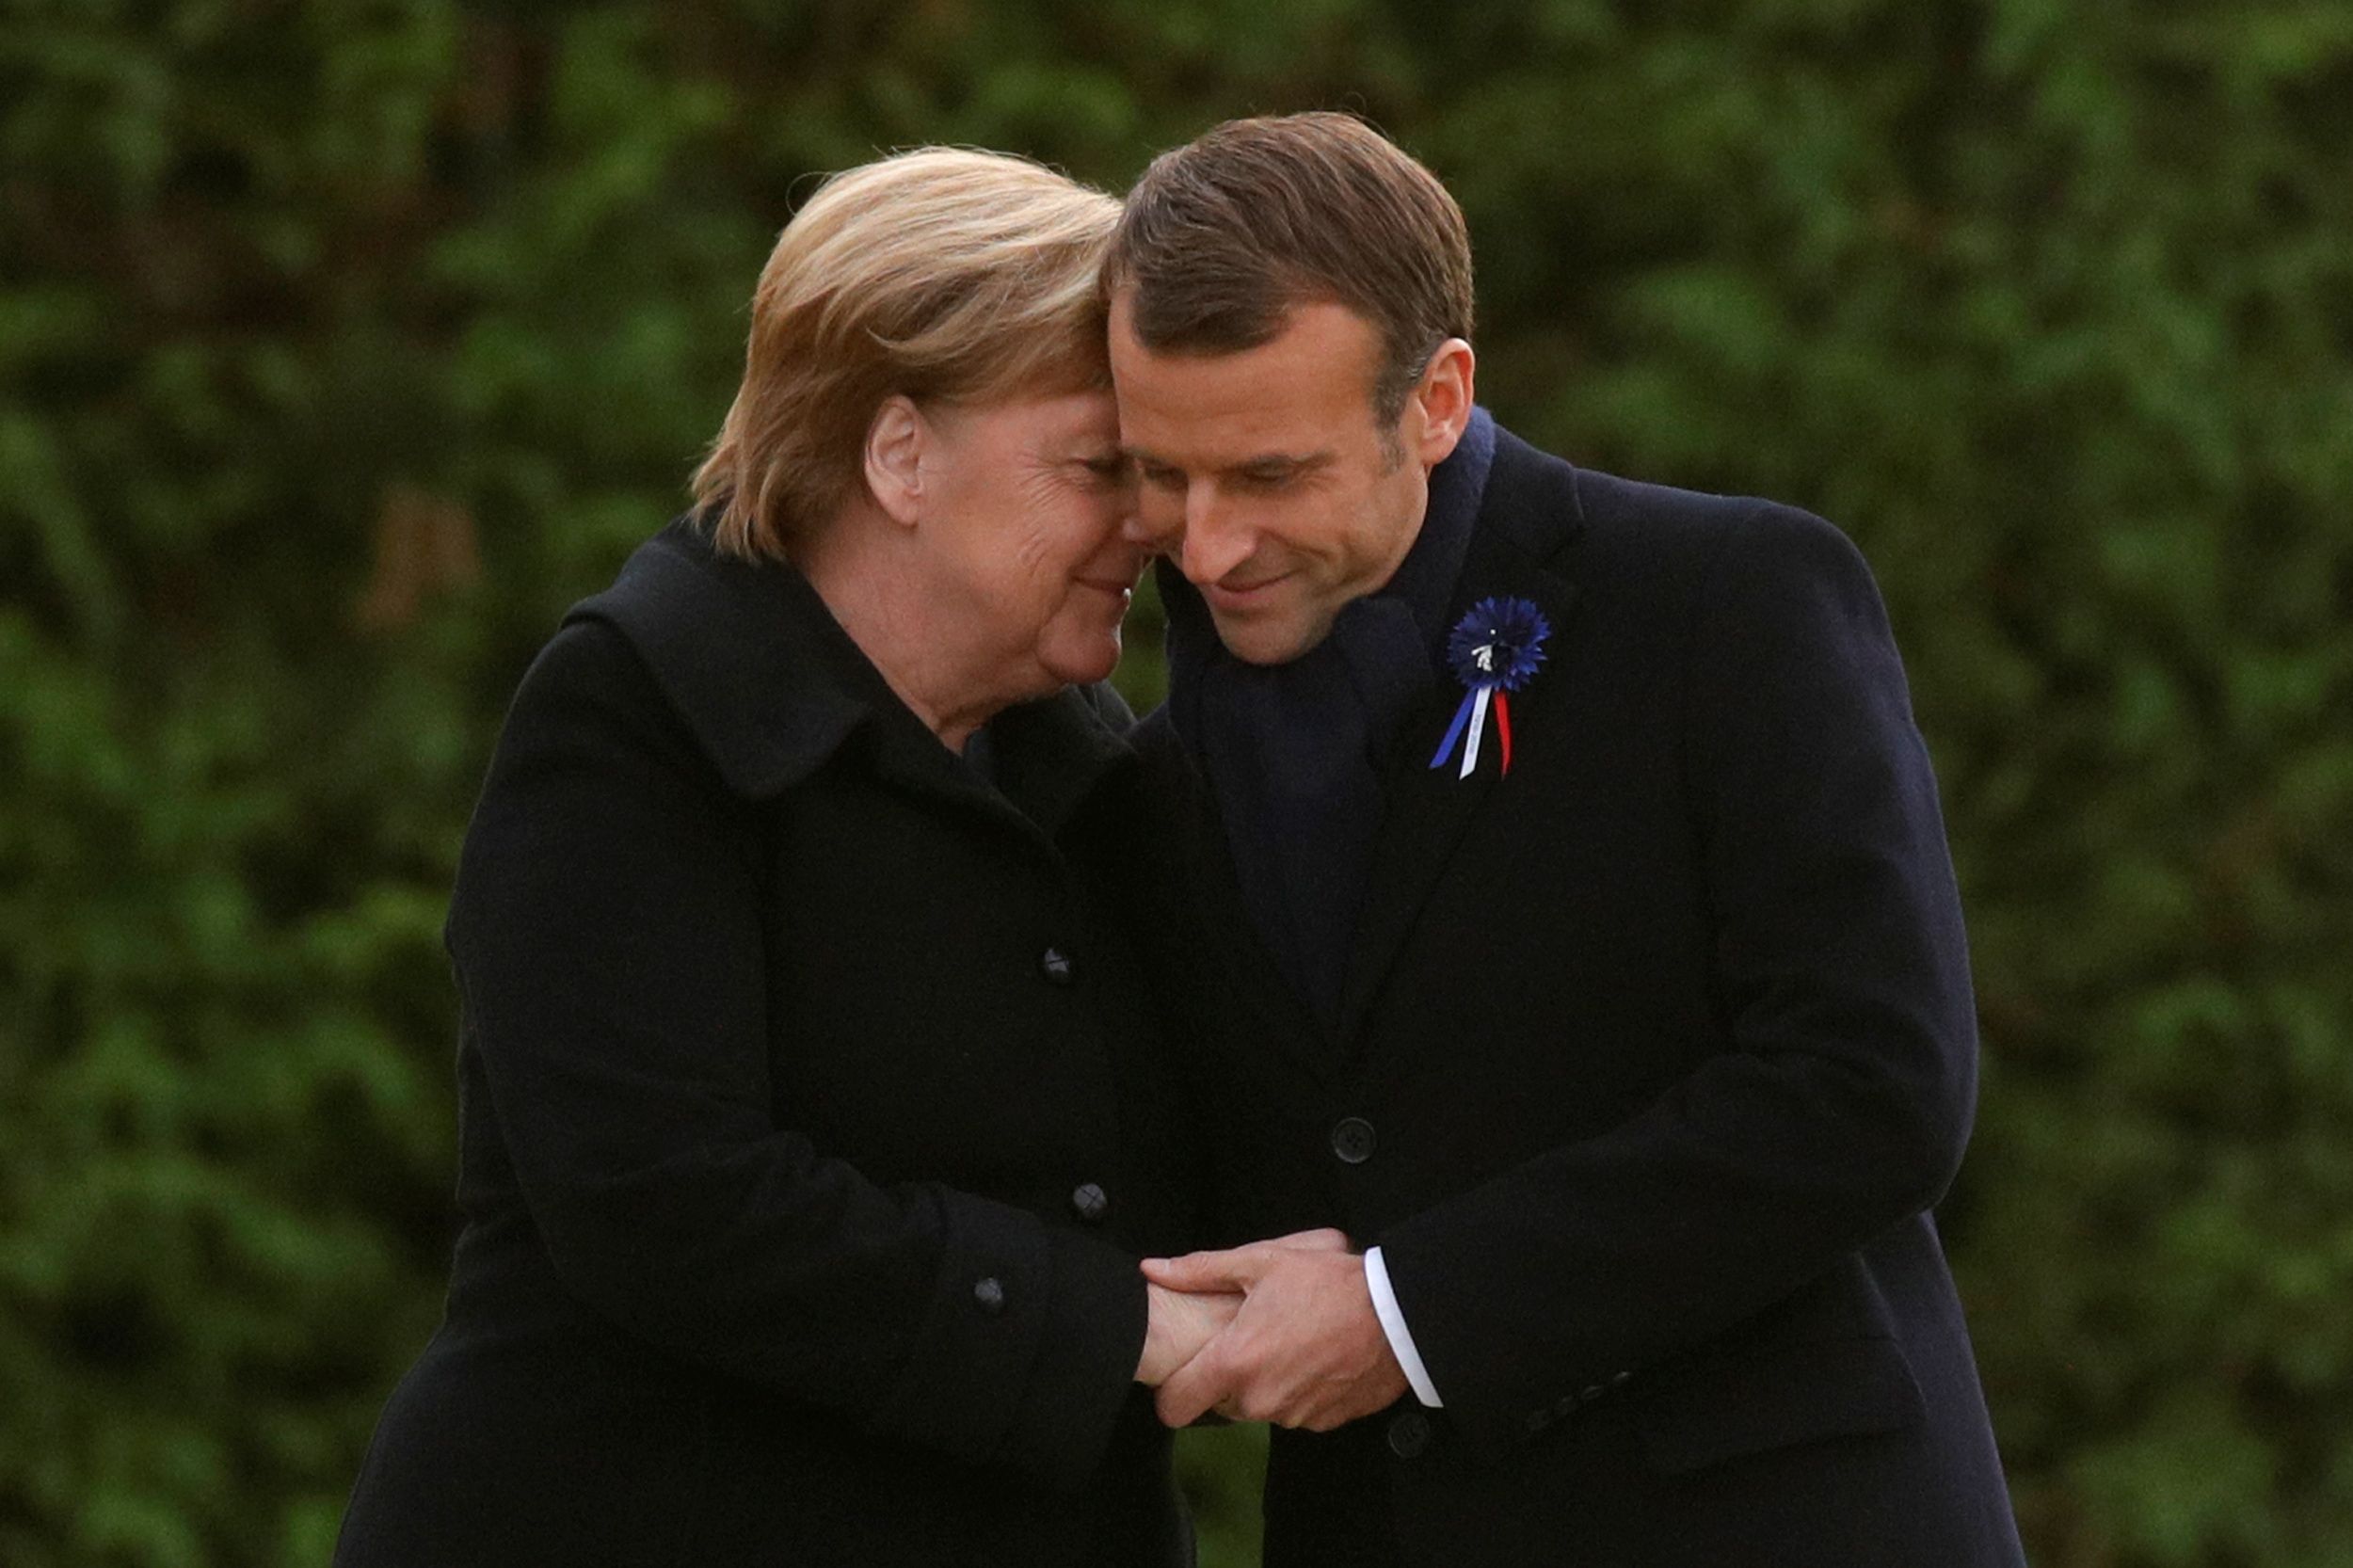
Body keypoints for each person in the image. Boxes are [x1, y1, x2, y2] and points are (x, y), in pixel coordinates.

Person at [1110, 113, 2028, 1567]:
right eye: (1162, 472)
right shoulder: (1156, 772)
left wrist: (1408, 1316)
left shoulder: (1728, 601)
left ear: (1436, 400)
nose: (1207, 546)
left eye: (1271, 475)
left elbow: (1872, 1084)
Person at [334, 148, 1232, 1568]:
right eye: (1097, 466)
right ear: (898, 455)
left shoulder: (1085, 756)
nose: (1151, 522)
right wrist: (1112, 1325)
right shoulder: (641, 714)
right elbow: (662, 1199)